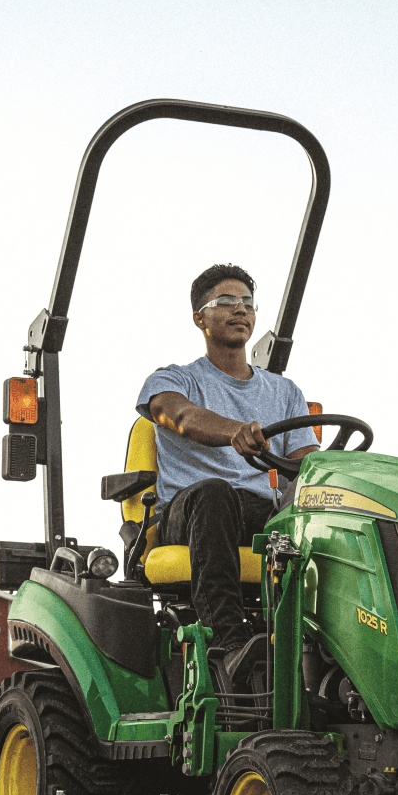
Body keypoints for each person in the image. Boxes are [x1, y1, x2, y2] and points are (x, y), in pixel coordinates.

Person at [136, 263, 318, 687]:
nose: (241, 310)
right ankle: (230, 644)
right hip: (187, 515)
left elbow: (307, 460)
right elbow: (179, 415)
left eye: (248, 303)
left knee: (324, 512)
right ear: (200, 316)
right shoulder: (174, 379)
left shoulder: (284, 391)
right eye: (227, 302)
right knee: (215, 494)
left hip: (256, 512)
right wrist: (233, 431)